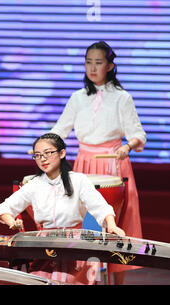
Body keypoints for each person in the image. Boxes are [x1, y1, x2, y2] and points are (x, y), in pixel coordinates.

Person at [50, 41, 146, 284]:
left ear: (110, 66)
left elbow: (138, 134)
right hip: (84, 164)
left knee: (118, 226)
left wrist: (127, 146)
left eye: (98, 62)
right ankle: (84, 279)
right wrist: (46, 146)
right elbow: (60, 129)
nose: (92, 68)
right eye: (88, 62)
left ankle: (118, 281)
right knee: (83, 225)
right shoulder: (78, 97)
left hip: (112, 164)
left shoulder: (122, 98)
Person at [0, 133, 125, 284]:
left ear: (62, 153)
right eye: (37, 155)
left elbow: (100, 207)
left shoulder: (78, 180)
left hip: (76, 244)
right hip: (44, 247)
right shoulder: (34, 184)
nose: (42, 159)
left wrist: (111, 224)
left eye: (48, 153)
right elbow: (5, 207)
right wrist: (11, 221)